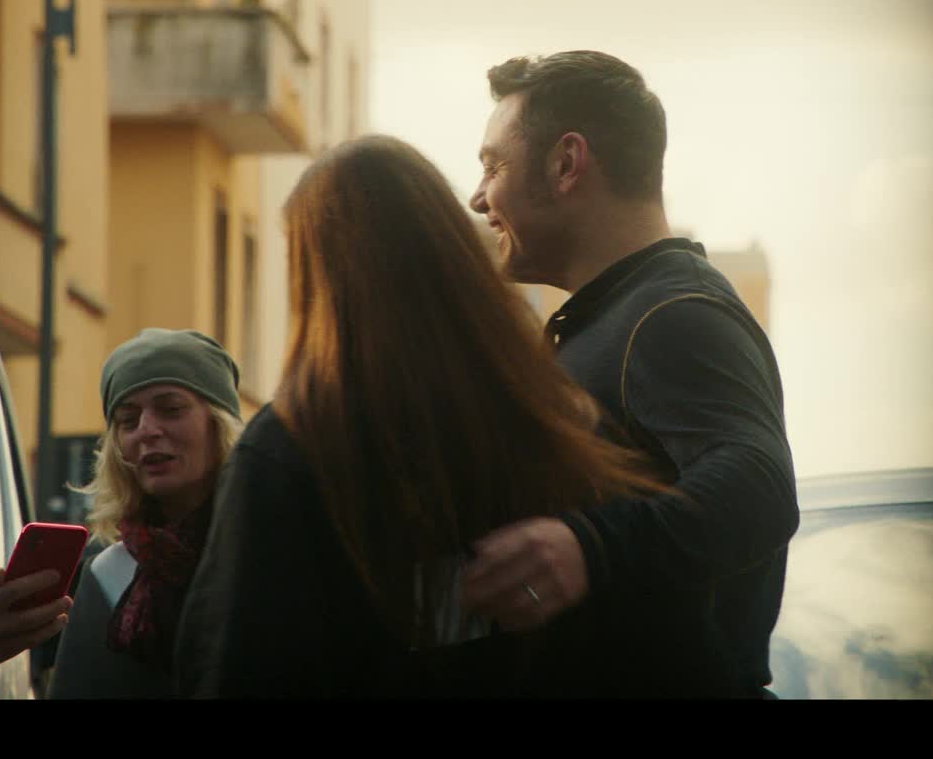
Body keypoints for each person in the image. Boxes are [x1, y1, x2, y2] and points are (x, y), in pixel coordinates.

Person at [174, 135, 673, 697]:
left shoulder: (292, 447)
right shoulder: (556, 420)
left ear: (317, 278)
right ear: (455, 254)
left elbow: (234, 662)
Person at [459, 50, 799, 698]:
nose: (479, 198)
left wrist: (587, 548)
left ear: (567, 163)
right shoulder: (616, 318)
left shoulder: (673, 315)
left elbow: (759, 484)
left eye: (493, 166)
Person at [48, 329, 246, 698]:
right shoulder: (108, 574)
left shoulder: (276, 551)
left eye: (171, 409)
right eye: (128, 420)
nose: (147, 431)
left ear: (219, 423)